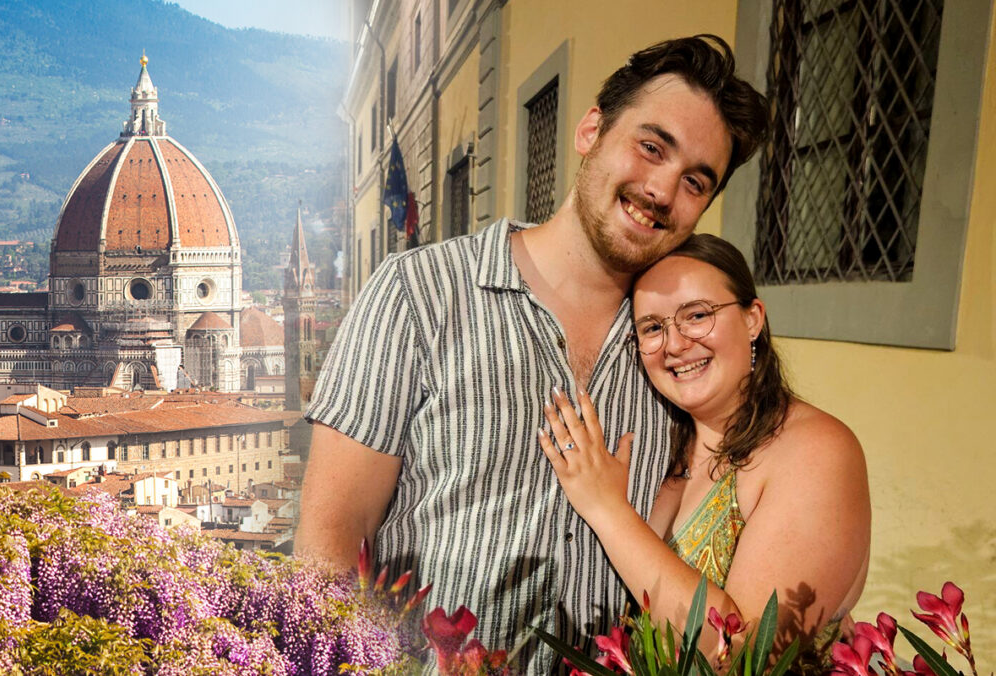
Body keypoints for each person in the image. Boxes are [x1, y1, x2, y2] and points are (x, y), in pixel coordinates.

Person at [297, 36, 769, 672]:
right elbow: (328, 547)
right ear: (591, 131)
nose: (662, 189)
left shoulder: (677, 357)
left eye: (695, 181)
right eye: (651, 147)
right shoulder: (418, 294)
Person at [539, 234, 870, 661]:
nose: (675, 344)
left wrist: (607, 510)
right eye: (653, 327)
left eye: (697, 315)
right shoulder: (664, 440)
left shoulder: (816, 451)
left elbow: (739, 657)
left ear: (752, 319)